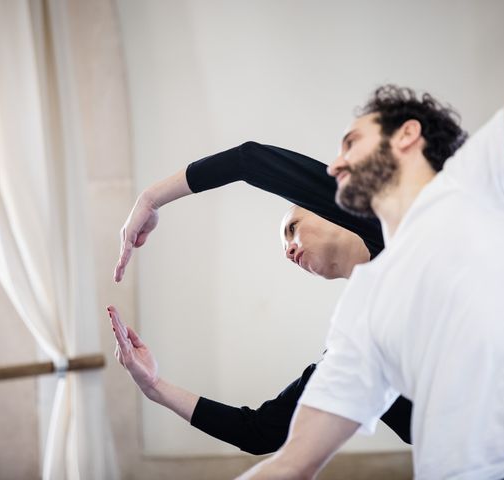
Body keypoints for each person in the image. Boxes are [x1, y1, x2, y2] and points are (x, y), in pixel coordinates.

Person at [239, 1, 504, 479]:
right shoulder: (364, 302)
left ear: (406, 135)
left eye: (350, 142)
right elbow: (294, 461)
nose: (334, 166)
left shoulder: (482, 178)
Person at [109, 144, 414, 454]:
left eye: (292, 229)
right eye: (285, 247)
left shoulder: (389, 224)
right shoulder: (355, 342)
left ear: (325, 208)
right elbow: (259, 433)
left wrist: (150, 198)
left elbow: (248, 160)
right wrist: (154, 387)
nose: (289, 250)